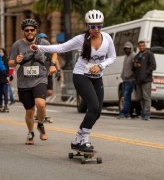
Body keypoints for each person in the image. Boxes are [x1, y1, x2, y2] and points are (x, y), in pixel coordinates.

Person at [30, 9, 116, 152]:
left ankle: (78, 138)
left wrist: (101, 65)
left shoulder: (107, 38)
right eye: (92, 26)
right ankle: (84, 139)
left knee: (98, 111)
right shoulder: (81, 39)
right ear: (87, 26)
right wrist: (39, 47)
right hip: (81, 75)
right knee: (93, 106)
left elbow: (112, 57)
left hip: (96, 77)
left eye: (99, 26)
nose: (96, 29)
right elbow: (61, 47)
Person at [8, 18, 58, 145]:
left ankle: (40, 124)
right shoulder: (17, 45)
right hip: (24, 82)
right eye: (27, 30)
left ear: (36, 31)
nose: (29, 32)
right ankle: (30, 132)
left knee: (41, 104)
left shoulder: (43, 42)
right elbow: (10, 63)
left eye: (32, 30)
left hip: (40, 78)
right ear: (23, 31)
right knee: (29, 110)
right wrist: (16, 61)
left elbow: (54, 53)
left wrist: (52, 65)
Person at [35, 32, 60, 123]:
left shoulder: (48, 47)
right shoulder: (36, 48)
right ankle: (42, 114)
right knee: (42, 94)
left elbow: (55, 57)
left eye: (45, 38)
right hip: (40, 73)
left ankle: (38, 104)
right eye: (42, 39)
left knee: (49, 92)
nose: (44, 40)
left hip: (48, 72)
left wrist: (58, 70)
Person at [132, 40, 156, 120]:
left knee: (146, 97)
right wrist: (135, 65)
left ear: (145, 46)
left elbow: (153, 65)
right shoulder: (137, 55)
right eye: (140, 46)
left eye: (143, 45)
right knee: (140, 98)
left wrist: (146, 73)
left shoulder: (149, 54)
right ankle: (143, 113)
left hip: (146, 80)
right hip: (138, 80)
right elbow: (132, 68)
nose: (142, 47)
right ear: (138, 47)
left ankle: (147, 114)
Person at [117, 41, 136, 119]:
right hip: (125, 80)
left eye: (128, 48)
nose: (126, 50)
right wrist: (122, 75)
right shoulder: (126, 56)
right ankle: (127, 114)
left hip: (130, 80)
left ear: (131, 48)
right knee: (125, 98)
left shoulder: (133, 55)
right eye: (125, 49)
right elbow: (124, 67)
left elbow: (134, 68)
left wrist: (128, 75)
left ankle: (123, 114)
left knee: (126, 98)